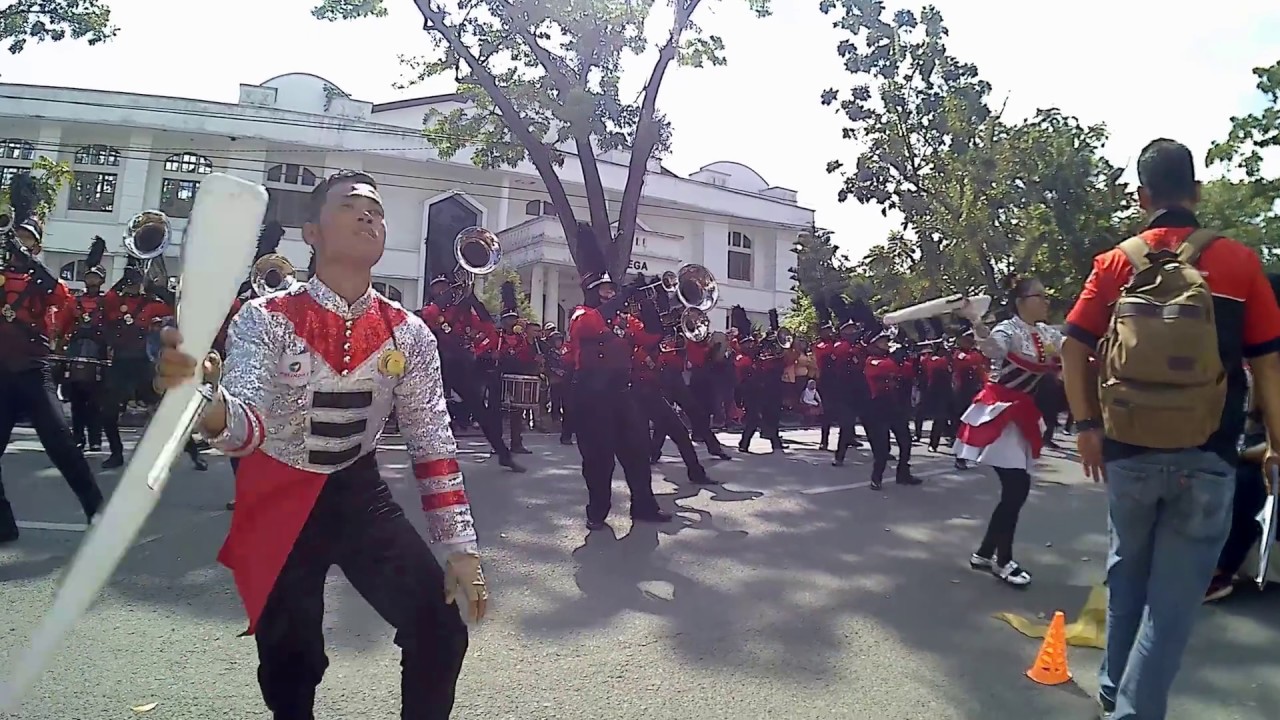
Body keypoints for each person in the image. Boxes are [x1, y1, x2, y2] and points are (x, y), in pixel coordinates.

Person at [154, 170, 485, 719]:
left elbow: (432, 442)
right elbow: (248, 424)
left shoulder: (410, 332)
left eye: (376, 211)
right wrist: (208, 407)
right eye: (351, 206)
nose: (368, 216)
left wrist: (461, 549)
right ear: (310, 232)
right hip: (276, 493)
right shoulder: (265, 319)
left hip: (358, 492)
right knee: (292, 660)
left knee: (439, 630)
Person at [1061, 139, 1280, 720]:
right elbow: (1267, 363)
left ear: (1142, 197)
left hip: (1127, 452)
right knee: (1172, 606)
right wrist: (1277, 444)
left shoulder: (1114, 264)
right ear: (1199, 193)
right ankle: (1132, 711)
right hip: (1208, 454)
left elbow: (1073, 345)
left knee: (1126, 574)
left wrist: (1086, 426)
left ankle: (1113, 691)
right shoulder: (1238, 262)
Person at [0, 211, 104, 543]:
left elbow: (64, 300)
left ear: (36, 245)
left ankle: (98, 512)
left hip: (33, 371)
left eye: (26, 237)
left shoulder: (44, 279)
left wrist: (30, 264)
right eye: (15, 235)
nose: (19, 241)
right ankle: (3, 522)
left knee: (61, 443)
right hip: (1, 373)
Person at [953, 274, 1062, 587]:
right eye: (1040, 296)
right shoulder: (1008, 329)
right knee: (1017, 489)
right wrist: (976, 320)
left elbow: (1073, 347)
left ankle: (986, 552)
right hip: (999, 411)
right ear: (1021, 302)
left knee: (1015, 490)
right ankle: (1003, 560)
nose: (1046, 301)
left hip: (1023, 412)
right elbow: (990, 349)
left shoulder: (1046, 332)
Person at [566, 229, 672, 530]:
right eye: (605, 290)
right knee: (599, 459)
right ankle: (597, 513)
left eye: (613, 290)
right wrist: (622, 297)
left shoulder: (623, 320)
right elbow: (591, 326)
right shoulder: (581, 314)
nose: (611, 294)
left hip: (620, 393)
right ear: (591, 291)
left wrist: (652, 303)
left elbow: (652, 337)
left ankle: (645, 507)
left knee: (637, 451)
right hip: (590, 395)